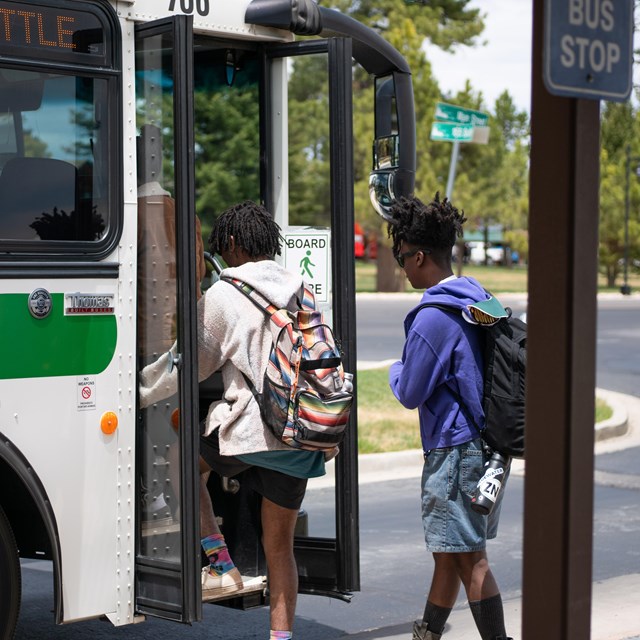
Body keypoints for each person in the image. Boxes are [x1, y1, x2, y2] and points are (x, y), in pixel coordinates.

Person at [139, 200, 327, 640]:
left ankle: (221, 564)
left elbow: (188, 366)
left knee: (180, 463)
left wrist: (138, 389)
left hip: (251, 431)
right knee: (279, 548)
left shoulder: (225, 293)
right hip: (300, 435)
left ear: (235, 244)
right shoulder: (302, 289)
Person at [387, 194, 512, 640]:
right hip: (488, 447)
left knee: (469, 558)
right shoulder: (479, 298)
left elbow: (409, 391)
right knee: (450, 554)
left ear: (419, 256)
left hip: (456, 452)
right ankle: (428, 635)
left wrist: (394, 368)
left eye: (401, 257)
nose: (401, 266)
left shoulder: (431, 318)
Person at [136, 123, 206, 527]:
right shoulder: (184, 214)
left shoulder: (122, 215)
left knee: (144, 417)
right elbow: (195, 274)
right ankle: (172, 496)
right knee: (172, 421)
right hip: (180, 338)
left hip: (142, 338)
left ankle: (151, 494)